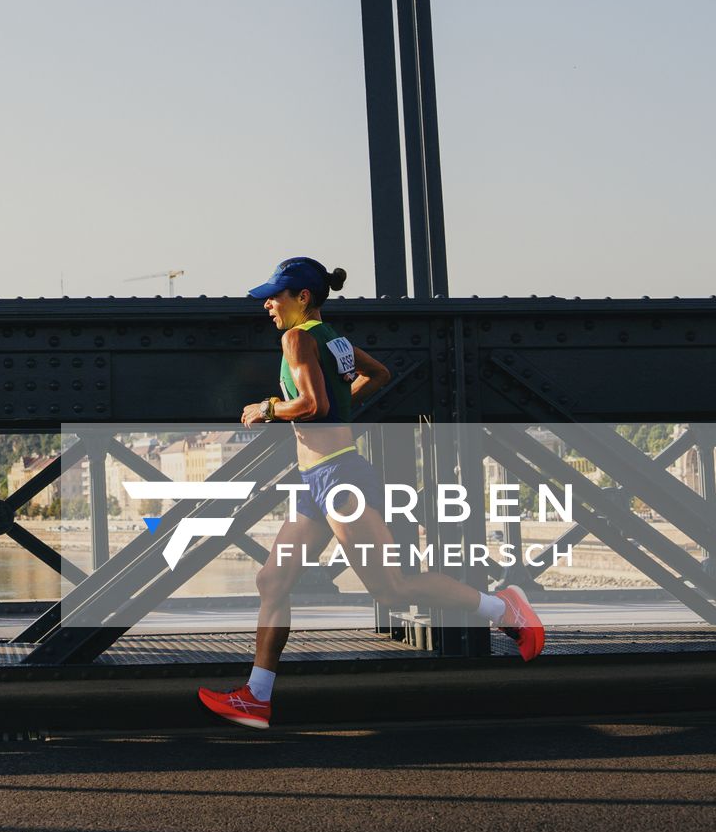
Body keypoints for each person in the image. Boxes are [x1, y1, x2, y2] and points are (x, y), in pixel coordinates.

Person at [196, 256, 544, 729]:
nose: (268, 305)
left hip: (338, 478)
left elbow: (313, 404)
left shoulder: (296, 338)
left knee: (392, 586)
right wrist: (339, 409)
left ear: (303, 297)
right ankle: (257, 697)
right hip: (315, 480)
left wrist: (267, 408)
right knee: (272, 582)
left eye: (275, 296)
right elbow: (376, 375)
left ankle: (505, 607)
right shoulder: (333, 339)